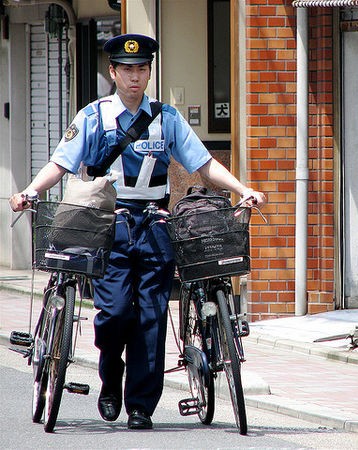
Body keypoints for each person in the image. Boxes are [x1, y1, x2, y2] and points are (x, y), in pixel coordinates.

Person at [9, 33, 266, 429]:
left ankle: (141, 405)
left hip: (154, 225)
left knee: (151, 317)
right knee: (112, 314)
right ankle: (111, 381)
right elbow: (61, 162)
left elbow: (202, 163)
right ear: (113, 72)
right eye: (127, 69)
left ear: (149, 72)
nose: (135, 76)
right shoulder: (93, 116)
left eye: (142, 69)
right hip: (106, 226)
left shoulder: (167, 117)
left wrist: (242, 188)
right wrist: (29, 190)